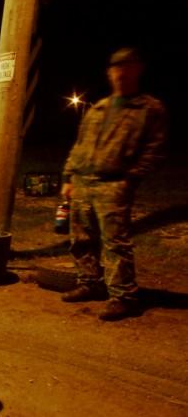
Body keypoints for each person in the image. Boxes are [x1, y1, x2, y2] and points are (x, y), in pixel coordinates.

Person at [59, 47, 167, 321]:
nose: (120, 72)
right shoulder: (99, 107)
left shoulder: (149, 108)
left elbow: (154, 148)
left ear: (137, 69)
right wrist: (69, 177)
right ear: (109, 73)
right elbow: (80, 144)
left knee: (115, 242)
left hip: (114, 183)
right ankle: (90, 283)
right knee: (81, 238)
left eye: (126, 66)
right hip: (83, 181)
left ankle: (123, 297)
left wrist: (131, 178)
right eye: (115, 68)